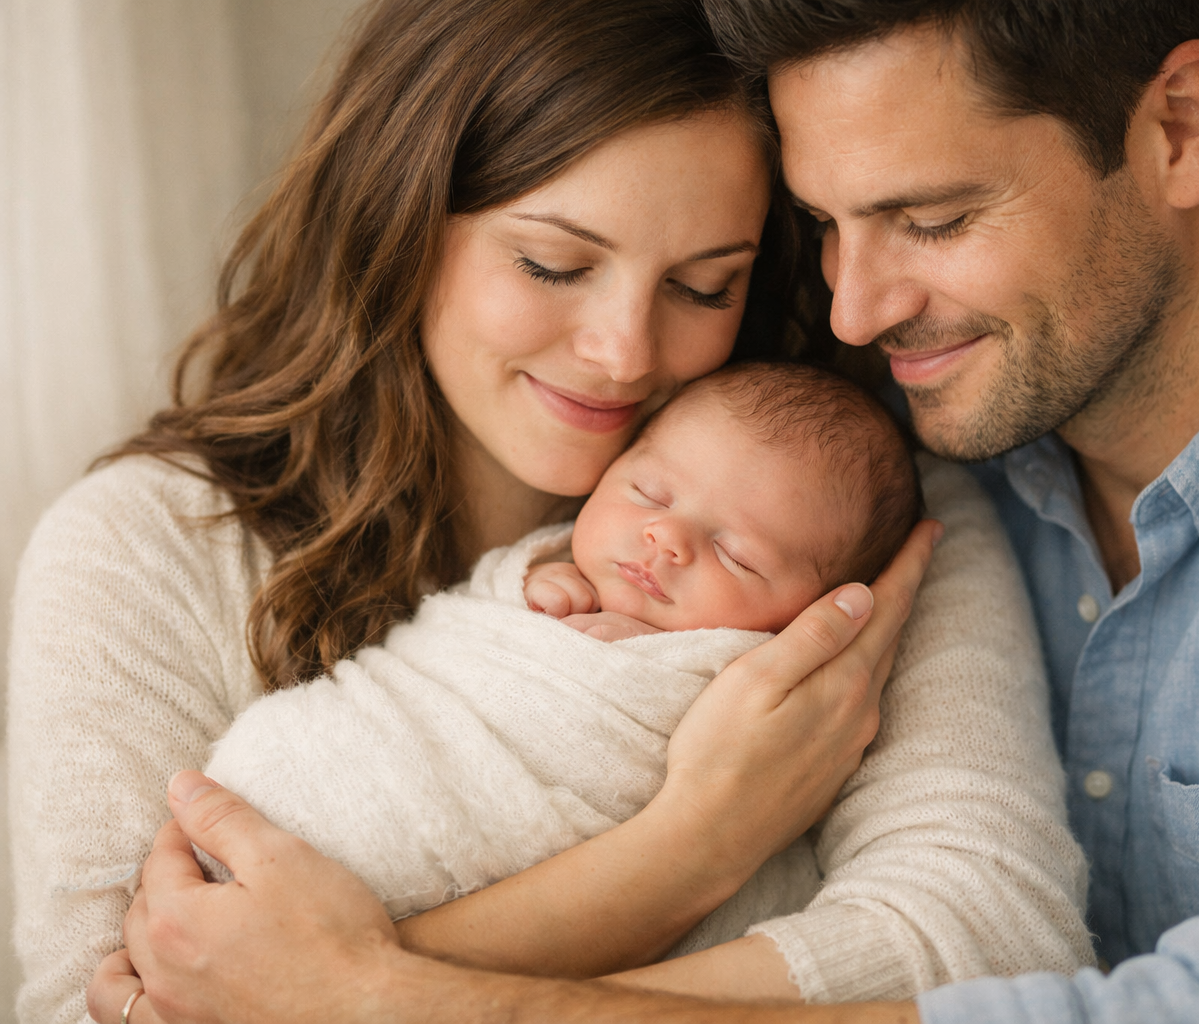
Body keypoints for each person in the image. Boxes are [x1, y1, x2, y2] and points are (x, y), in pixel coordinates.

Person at [86, 0, 1199, 1021]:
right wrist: (672, 858)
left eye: (933, 219)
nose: (852, 311)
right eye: (825, 230)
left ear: (1179, 124)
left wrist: (381, 1000)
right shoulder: (936, 425)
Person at [10, 1, 1099, 1022]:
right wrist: (686, 852)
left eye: (704, 286)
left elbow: (991, 944)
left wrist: (347, 990)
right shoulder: (149, 553)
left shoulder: (850, 511)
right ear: (400, 222)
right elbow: (115, 1000)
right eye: (552, 264)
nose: (623, 352)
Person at [197, 363, 934, 947]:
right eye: (649, 493)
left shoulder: (754, 672)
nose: (667, 538)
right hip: (362, 748)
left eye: (737, 556)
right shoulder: (546, 564)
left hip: (458, 851)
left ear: (814, 611)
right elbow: (462, 630)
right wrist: (530, 589)